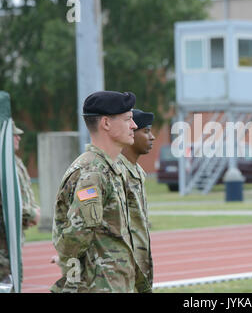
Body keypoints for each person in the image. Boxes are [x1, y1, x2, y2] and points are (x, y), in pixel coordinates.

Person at [51, 91, 151, 293]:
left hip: (117, 284)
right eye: (128, 119)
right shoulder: (93, 173)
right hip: (99, 286)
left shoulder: (112, 168)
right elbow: (76, 237)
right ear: (106, 123)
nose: (133, 126)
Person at [118, 109, 155, 293]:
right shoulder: (115, 171)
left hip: (139, 268)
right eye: (146, 131)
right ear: (131, 133)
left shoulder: (137, 171)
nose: (153, 137)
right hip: (120, 270)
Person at [0, 121, 41, 286]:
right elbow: (6, 201)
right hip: (3, 239)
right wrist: (31, 214)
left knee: (14, 281)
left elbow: (24, 193)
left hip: (15, 236)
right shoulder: (3, 164)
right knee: (7, 283)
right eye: (14, 134)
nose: (18, 137)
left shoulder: (14, 161)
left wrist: (33, 210)